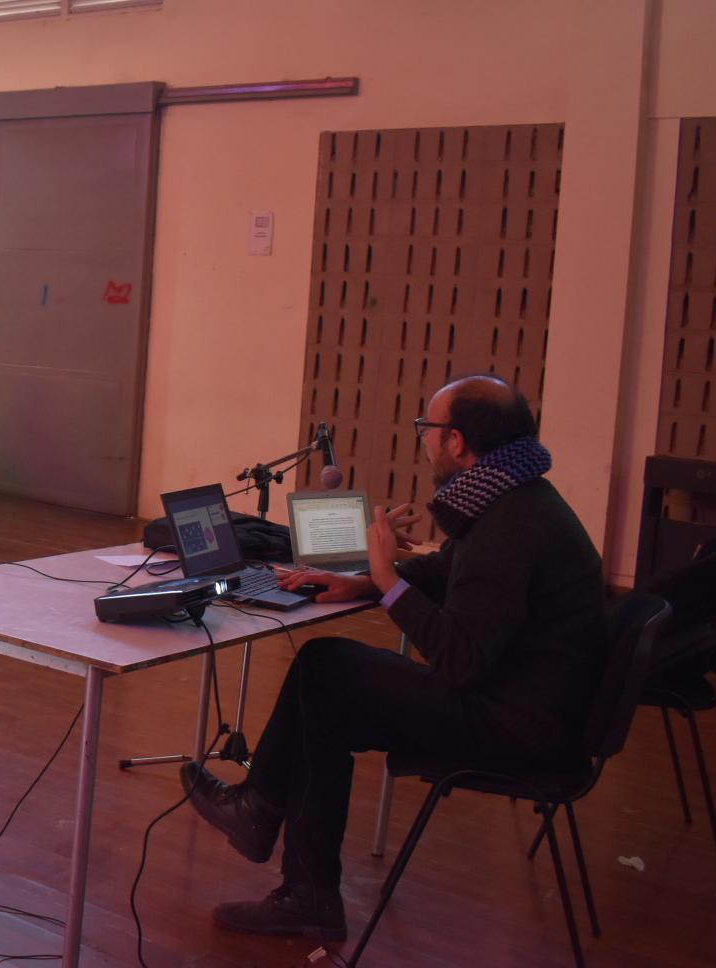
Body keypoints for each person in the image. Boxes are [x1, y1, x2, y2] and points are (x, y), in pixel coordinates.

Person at [180, 375, 605, 943]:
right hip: (532, 707)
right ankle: (288, 865)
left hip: (517, 727)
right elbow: (451, 571)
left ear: (457, 442)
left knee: (325, 672)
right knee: (326, 685)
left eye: (427, 428)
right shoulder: (516, 495)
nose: (422, 440)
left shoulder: (510, 525)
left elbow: (460, 658)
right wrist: (365, 584)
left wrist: (383, 576)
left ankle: (267, 827)